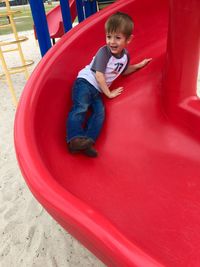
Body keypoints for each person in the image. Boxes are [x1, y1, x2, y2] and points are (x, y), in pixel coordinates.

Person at [66, 12, 151, 157]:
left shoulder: (125, 57)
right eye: (108, 36)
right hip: (85, 83)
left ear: (128, 39)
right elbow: (99, 76)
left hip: (98, 90)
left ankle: (88, 142)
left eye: (117, 38)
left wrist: (139, 66)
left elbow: (122, 72)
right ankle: (74, 139)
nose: (112, 41)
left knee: (100, 113)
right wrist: (109, 93)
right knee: (81, 108)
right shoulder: (104, 52)